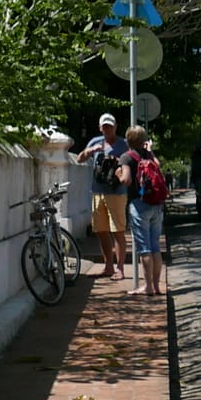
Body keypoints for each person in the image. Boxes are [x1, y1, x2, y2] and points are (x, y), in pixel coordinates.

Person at [75, 113, 130, 278]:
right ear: (100, 128)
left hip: (117, 193)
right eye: (104, 126)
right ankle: (108, 266)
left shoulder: (124, 144)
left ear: (115, 127)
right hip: (98, 192)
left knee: (118, 231)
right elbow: (79, 159)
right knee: (101, 231)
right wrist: (91, 150)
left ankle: (120, 268)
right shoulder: (95, 142)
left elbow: (132, 162)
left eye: (110, 126)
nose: (107, 129)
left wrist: (117, 160)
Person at [121, 125, 167, 298]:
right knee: (155, 247)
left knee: (144, 249)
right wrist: (151, 152)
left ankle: (147, 286)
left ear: (128, 140)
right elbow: (158, 166)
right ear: (144, 141)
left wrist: (118, 174)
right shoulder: (148, 155)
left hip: (139, 205)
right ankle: (155, 286)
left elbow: (126, 179)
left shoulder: (126, 157)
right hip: (156, 204)